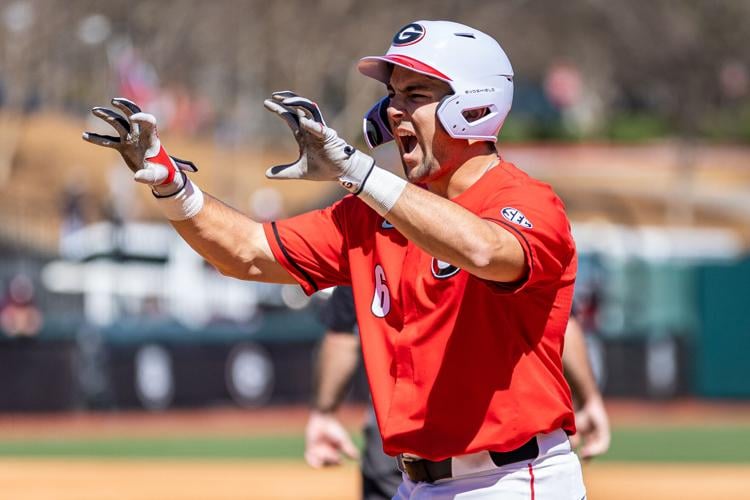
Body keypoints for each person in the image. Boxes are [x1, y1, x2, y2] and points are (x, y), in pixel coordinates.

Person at [84, 20, 585, 498]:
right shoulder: (370, 215)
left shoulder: (528, 202)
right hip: (416, 482)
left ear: (475, 106)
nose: (393, 110)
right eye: (393, 94)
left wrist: (358, 173)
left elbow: (484, 249)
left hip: (513, 480)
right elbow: (248, 253)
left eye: (415, 95)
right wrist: (175, 187)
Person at [306, 287, 610, 500]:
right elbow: (557, 319)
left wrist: (324, 411)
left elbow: (342, 335)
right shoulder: (489, 226)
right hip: (463, 445)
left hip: (413, 437)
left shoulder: (377, 233)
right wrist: (589, 399)